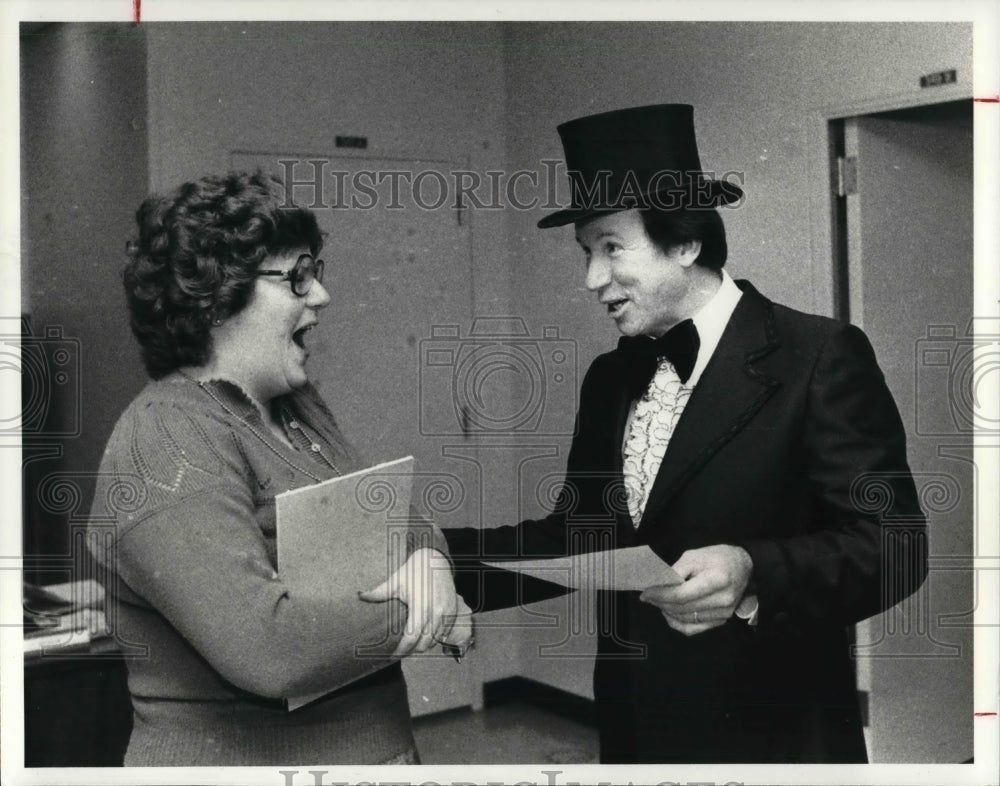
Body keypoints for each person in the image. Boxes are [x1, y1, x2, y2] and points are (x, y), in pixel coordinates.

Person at [445, 104, 927, 763]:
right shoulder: (610, 377)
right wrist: (434, 559)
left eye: (611, 248)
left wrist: (755, 569)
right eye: (586, 253)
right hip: (635, 732)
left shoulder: (818, 355)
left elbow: (894, 544)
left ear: (685, 243)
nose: (592, 279)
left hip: (775, 738)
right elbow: (580, 540)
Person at [87, 171, 470, 766]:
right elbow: (269, 647)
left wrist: (430, 560)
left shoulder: (298, 407)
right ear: (216, 298)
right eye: (297, 277)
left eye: (315, 272)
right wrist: (431, 608)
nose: (320, 296)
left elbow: (399, 521)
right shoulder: (165, 437)